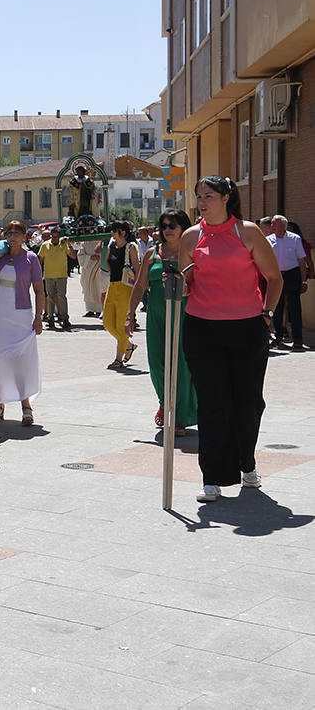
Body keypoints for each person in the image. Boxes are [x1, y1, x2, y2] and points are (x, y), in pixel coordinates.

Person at [178, 176, 283, 502]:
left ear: (226, 198)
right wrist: (175, 279)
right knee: (212, 403)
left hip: (247, 328)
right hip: (202, 328)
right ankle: (213, 477)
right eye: (198, 197)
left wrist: (266, 315)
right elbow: (186, 280)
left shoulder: (248, 232)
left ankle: (246, 463)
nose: (202, 202)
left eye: (208, 196)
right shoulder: (191, 236)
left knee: (248, 403)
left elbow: (274, 278)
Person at [125, 209, 198, 438]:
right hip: (156, 316)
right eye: (164, 225)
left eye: (172, 225)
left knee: (182, 365)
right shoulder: (152, 254)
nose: (167, 230)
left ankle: (177, 416)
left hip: (185, 315)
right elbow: (139, 285)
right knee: (157, 364)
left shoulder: (193, 253)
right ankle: (164, 401)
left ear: (183, 228)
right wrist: (130, 314)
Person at [0, 221, 44, 424]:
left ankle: (26, 405)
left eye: (16, 233)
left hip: (21, 316)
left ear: (24, 236)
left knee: (22, 360)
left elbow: (39, 290)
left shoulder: (31, 259)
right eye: (8, 233)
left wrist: (39, 317)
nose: (12, 236)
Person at [102, 221, 140, 369]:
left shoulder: (131, 247)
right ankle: (128, 345)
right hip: (112, 286)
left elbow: (137, 269)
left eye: (114, 230)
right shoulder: (112, 246)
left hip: (126, 289)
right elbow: (107, 263)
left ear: (123, 232)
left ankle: (119, 359)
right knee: (107, 323)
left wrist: (137, 292)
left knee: (121, 325)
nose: (111, 233)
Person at [267, 214, 308, 351]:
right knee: (276, 307)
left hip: (292, 274)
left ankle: (297, 338)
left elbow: (302, 261)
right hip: (276, 275)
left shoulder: (295, 239)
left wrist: (303, 280)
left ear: (283, 226)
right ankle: (279, 335)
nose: (272, 226)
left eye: (274, 224)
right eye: (272, 224)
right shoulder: (268, 240)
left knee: (294, 307)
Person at [37, 226, 76, 330]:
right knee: (50, 298)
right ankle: (50, 319)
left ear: (59, 236)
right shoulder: (45, 245)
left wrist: (69, 244)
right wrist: (38, 274)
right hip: (49, 276)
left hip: (61, 276)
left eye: (56, 237)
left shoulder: (63, 245)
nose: (54, 238)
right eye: (52, 236)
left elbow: (73, 256)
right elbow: (39, 260)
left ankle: (65, 318)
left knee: (62, 297)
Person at [77, 240, 107, 317]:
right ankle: (90, 309)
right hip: (88, 269)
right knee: (88, 288)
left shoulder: (103, 241)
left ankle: (100, 309)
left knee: (100, 288)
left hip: (100, 268)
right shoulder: (85, 243)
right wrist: (90, 257)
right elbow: (80, 255)